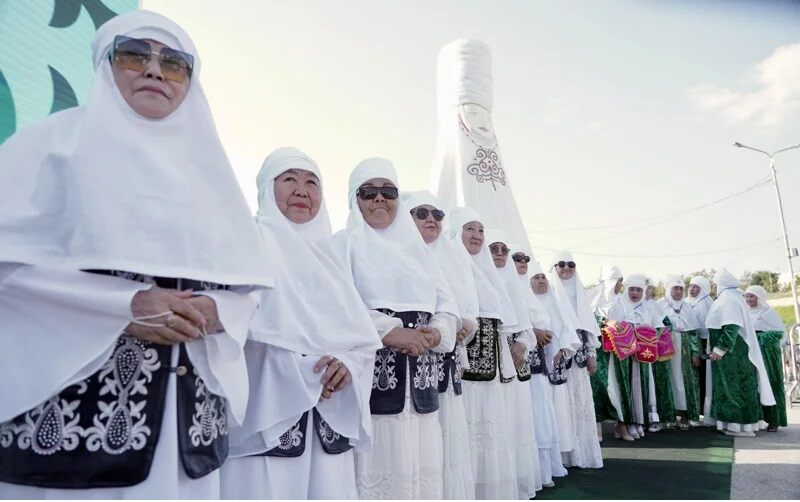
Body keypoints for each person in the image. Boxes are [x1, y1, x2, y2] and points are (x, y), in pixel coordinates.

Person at [0, 10, 273, 498]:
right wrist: (122, 306)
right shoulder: (50, 148)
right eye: (133, 55)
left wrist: (218, 310)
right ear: (106, 65)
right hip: (71, 421)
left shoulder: (211, 173)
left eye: (173, 63)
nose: (153, 70)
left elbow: (247, 287)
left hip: (187, 421)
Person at [220, 148, 382, 499]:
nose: (301, 190)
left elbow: (360, 340)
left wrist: (347, 367)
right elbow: (236, 324)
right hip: (267, 415)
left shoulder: (331, 257)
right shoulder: (248, 242)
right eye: (289, 179)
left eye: (311, 182)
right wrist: (304, 376)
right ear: (267, 188)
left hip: (327, 421)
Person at [334, 158, 458, 499]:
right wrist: (388, 330)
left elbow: (448, 305)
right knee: (376, 468)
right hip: (370, 385)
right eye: (368, 192)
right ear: (354, 199)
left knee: (420, 468)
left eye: (387, 191)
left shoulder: (419, 252)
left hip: (421, 383)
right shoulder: (343, 244)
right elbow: (335, 300)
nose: (378, 199)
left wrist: (435, 332)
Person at [404, 190, 478, 499]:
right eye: (421, 213)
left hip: (446, 365)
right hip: (408, 372)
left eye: (437, 214)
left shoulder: (451, 257)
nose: (431, 219)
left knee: (446, 439)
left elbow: (468, 312)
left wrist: (463, 327)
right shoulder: (396, 254)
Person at [446, 207, 519, 499]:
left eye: (480, 230)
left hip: (491, 370)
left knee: (490, 427)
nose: (476, 236)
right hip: (465, 363)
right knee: (466, 427)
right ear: (456, 232)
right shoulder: (450, 263)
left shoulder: (490, 274)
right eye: (469, 229)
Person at [484, 234, 541, 496]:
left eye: (503, 249)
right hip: (484, 369)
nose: (499, 253)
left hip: (512, 366)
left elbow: (526, 329)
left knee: (513, 425)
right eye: (493, 248)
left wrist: (522, 344)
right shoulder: (476, 278)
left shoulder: (514, 286)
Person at [547, 252, 604, 466]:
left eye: (570, 264)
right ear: (554, 267)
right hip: (557, 358)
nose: (566, 268)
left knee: (580, 406)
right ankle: (563, 457)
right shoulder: (549, 291)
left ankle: (583, 453)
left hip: (578, 360)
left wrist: (591, 355)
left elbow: (588, 329)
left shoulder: (581, 294)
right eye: (561, 264)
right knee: (561, 406)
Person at [706, 270, 775, 436]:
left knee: (733, 387)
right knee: (735, 387)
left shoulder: (728, 300)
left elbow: (731, 327)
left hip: (733, 353)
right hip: (733, 352)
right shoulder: (732, 298)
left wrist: (720, 349)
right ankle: (736, 424)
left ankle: (738, 425)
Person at [608, 274, 666, 439]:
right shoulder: (620, 305)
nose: (635, 293)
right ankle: (624, 423)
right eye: (632, 289)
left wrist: (647, 334)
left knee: (641, 386)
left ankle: (638, 422)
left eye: (639, 290)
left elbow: (659, 327)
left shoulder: (649, 308)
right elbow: (612, 326)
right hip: (624, 355)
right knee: (626, 387)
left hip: (642, 354)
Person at [590, 265, 632, 441]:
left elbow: (630, 321)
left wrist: (622, 327)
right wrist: (605, 321)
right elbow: (587, 321)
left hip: (619, 353)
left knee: (620, 389)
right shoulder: (594, 299)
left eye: (621, 281)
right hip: (599, 351)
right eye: (617, 281)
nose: (620, 285)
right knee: (598, 388)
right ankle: (597, 427)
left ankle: (621, 426)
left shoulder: (622, 301)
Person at [657, 276, 701, 429]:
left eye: (681, 288)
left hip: (685, 347)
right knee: (668, 379)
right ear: (668, 290)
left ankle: (684, 415)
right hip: (666, 346)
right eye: (675, 288)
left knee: (684, 380)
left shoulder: (687, 306)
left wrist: (695, 353)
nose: (678, 291)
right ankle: (669, 415)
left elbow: (694, 332)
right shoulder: (659, 305)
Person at [744, 285, 787, 431]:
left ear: (759, 297)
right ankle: (758, 418)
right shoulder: (744, 312)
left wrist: (760, 337)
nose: (749, 299)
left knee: (770, 383)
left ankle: (774, 420)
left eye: (752, 296)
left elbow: (780, 333)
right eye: (747, 296)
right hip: (750, 353)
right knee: (754, 385)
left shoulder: (768, 312)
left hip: (767, 354)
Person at [686, 275, 713, 423]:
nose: (691, 289)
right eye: (690, 286)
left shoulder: (708, 303)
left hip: (705, 342)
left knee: (704, 376)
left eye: (695, 286)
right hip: (689, 342)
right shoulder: (684, 303)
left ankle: (705, 410)